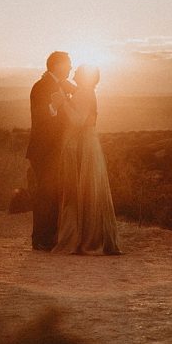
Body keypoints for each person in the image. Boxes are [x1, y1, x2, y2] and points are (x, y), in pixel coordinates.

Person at [53, 64, 121, 255]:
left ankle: (87, 239)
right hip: (89, 143)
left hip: (84, 145)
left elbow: (77, 120)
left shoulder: (84, 92)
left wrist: (63, 101)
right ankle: (91, 236)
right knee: (89, 189)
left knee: (84, 189)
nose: (73, 71)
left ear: (83, 77)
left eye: (78, 71)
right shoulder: (86, 91)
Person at [26, 51, 76, 250]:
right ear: (57, 65)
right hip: (44, 150)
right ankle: (41, 240)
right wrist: (53, 108)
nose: (71, 68)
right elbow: (40, 117)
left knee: (52, 193)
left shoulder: (59, 85)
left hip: (54, 150)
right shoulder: (41, 87)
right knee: (45, 194)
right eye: (68, 64)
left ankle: (49, 237)